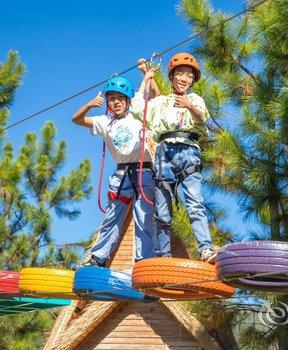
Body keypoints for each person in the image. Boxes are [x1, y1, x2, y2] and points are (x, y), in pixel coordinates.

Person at [132, 53, 216, 262]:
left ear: (193, 81)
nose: (184, 79)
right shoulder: (161, 102)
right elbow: (136, 109)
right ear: (172, 77)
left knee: (195, 203)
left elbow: (201, 117)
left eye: (188, 76)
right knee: (162, 210)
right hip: (164, 154)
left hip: (188, 152)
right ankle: (163, 256)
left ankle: (205, 249)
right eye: (180, 74)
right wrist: (146, 78)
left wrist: (188, 105)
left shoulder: (195, 99)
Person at [72, 75, 156, 267]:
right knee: (112, 217)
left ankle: (144, 261)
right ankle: (98, 257)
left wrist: (147, 75)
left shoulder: (138, 113)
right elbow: (76, 119)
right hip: (121, 174)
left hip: (143, 170)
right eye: (112, 99)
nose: (116, 102)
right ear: (108, 102)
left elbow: (150, 93)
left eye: (120, 98)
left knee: (144, 217)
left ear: (127, 100)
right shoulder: (104, 121)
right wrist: (90, 104)